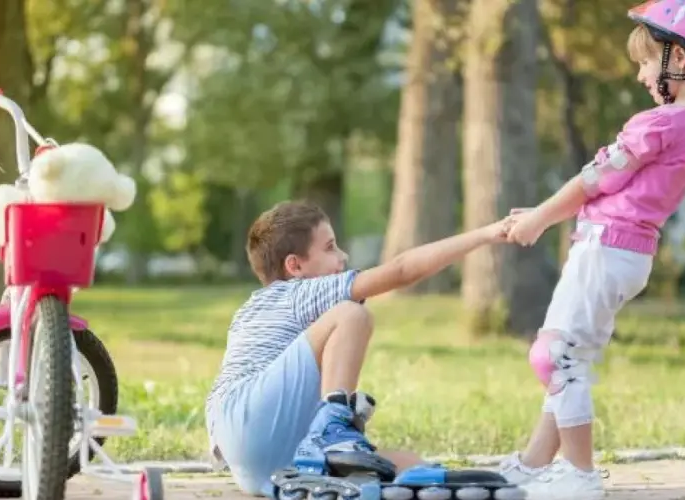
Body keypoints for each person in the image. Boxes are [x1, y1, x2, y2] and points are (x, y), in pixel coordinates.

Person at [497, 0, 685, 497]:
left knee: (554, 356)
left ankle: (580, 476)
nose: (639, 76)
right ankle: (535, 464)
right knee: (571, 358)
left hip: (606, 250)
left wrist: (540, 219)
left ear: (680, 61)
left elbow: (593, 183)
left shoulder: (662, 124)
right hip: (622, 253)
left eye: (645, 63)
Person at [204, 200, 511, 497]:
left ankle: (339, 448)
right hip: (250, 418)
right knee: (351, 313)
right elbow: (402, 270)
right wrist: (487, 234)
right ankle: (333, 429)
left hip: (252, 462)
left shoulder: (249, 311)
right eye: (329, 247)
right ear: (294, 266)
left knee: (408, 463)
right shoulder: (298, 292)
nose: (343, 255)